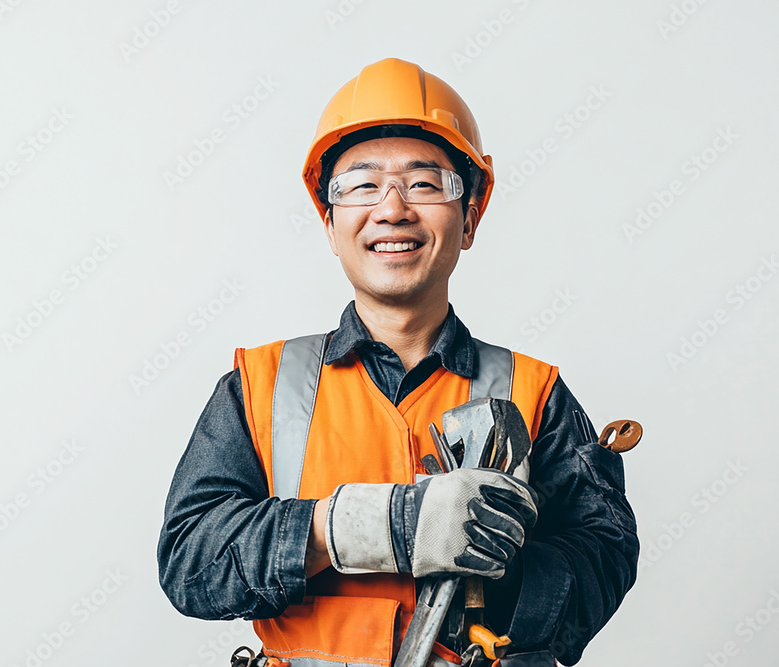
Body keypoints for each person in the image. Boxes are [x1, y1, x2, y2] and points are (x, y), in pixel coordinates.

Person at [157, 58, 638, 667]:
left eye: (425, 182)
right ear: (330, 224)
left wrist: (502, 565)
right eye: (361, 184)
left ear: (470, 218)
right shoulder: (262, 387)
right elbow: (190, 563)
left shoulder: (533, 392)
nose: (392, 208)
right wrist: (365, 526)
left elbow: (604, 560)